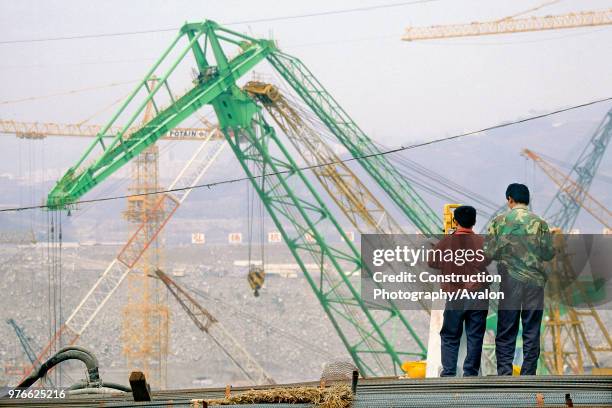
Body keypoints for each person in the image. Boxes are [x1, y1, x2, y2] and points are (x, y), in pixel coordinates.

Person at [485, 183, 554, 376]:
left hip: (510, 281)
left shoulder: (500, 221)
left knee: (507, 326)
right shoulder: (540, 223)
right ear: (527, 200)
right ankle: (528, 374)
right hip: (535, 283)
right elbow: (548, 253)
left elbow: (488, 253)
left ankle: (505, 374)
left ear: (509, 200)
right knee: (531, 328)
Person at [428, 205, 490, 377]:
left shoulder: (447, 241)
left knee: (450, 334)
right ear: (474, 222)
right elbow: (487, 259)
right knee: (475, 335)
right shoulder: (481, 241)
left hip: (455, 295)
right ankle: (470, 373)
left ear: (455, 221)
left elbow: (432, 262)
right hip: (478, 294)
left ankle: (448, 373)